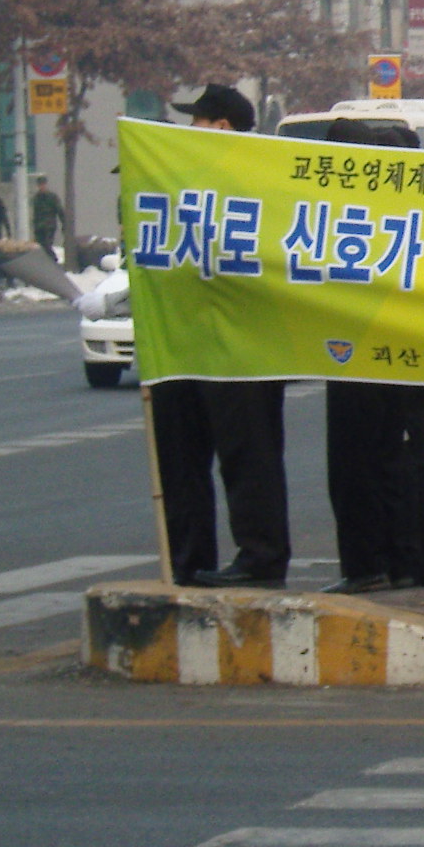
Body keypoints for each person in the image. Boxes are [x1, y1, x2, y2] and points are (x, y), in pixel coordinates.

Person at [147, 83, 291, 587]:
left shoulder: (258, 180)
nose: (190, 130)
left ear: (221, 127)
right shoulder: (181, 180)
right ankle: (188, 561)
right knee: (181, 460)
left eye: (198, 122)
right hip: (184, 343)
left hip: (244, 347)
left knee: (247, 456)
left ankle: (261, 557)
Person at [318, 119, 424, 593]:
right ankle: (415, 560)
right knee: (412, 452)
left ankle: (377, 562)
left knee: (371, 456)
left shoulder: (361, 212)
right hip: (412, 347)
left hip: (370, 348)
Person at [30, 175, 64, 256]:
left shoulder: (52, 197)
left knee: (47, 245)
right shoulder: (36, 198)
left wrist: (64, 224)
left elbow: (60, 211)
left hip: (49, 226)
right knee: (40, 247)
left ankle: (53, 259)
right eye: (40, 185)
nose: (41, 187)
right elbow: (35, 214)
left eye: (43, 184)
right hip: (39, 227)